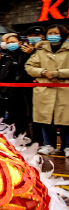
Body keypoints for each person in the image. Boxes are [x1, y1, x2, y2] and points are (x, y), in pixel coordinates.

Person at [25, 23, 68, 156]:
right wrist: (44, 72)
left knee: (66, 119)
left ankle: (67, 146)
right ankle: (49, 144)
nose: (53, 36)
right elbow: (29, 67)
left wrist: (57, 73)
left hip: (64, 91)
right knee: (46, 119)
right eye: (50, 33)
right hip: (45, 90)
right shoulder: (41, 51)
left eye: (56, 33)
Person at [0, 32, 32, 131]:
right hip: (3, 89)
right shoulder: (4, 55)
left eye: (13, 42)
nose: (10, 44)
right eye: (8, 42)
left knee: (20, 116)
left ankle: (22, 134)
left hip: (19, 90)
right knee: (5, 117)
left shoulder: (24, 55)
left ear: (20, 42)